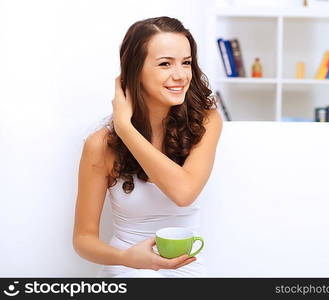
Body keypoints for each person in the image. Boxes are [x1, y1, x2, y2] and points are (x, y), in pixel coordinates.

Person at [72, 16, 223, 277]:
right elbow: (83, 239)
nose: (180, 75)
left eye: (186, 63)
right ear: (135, 71)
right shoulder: (100, 144)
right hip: (127, 266)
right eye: (165, 64)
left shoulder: (206, 121)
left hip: (187, 269)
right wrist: (126, 259)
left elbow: (184, 193)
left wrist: (126, 129)